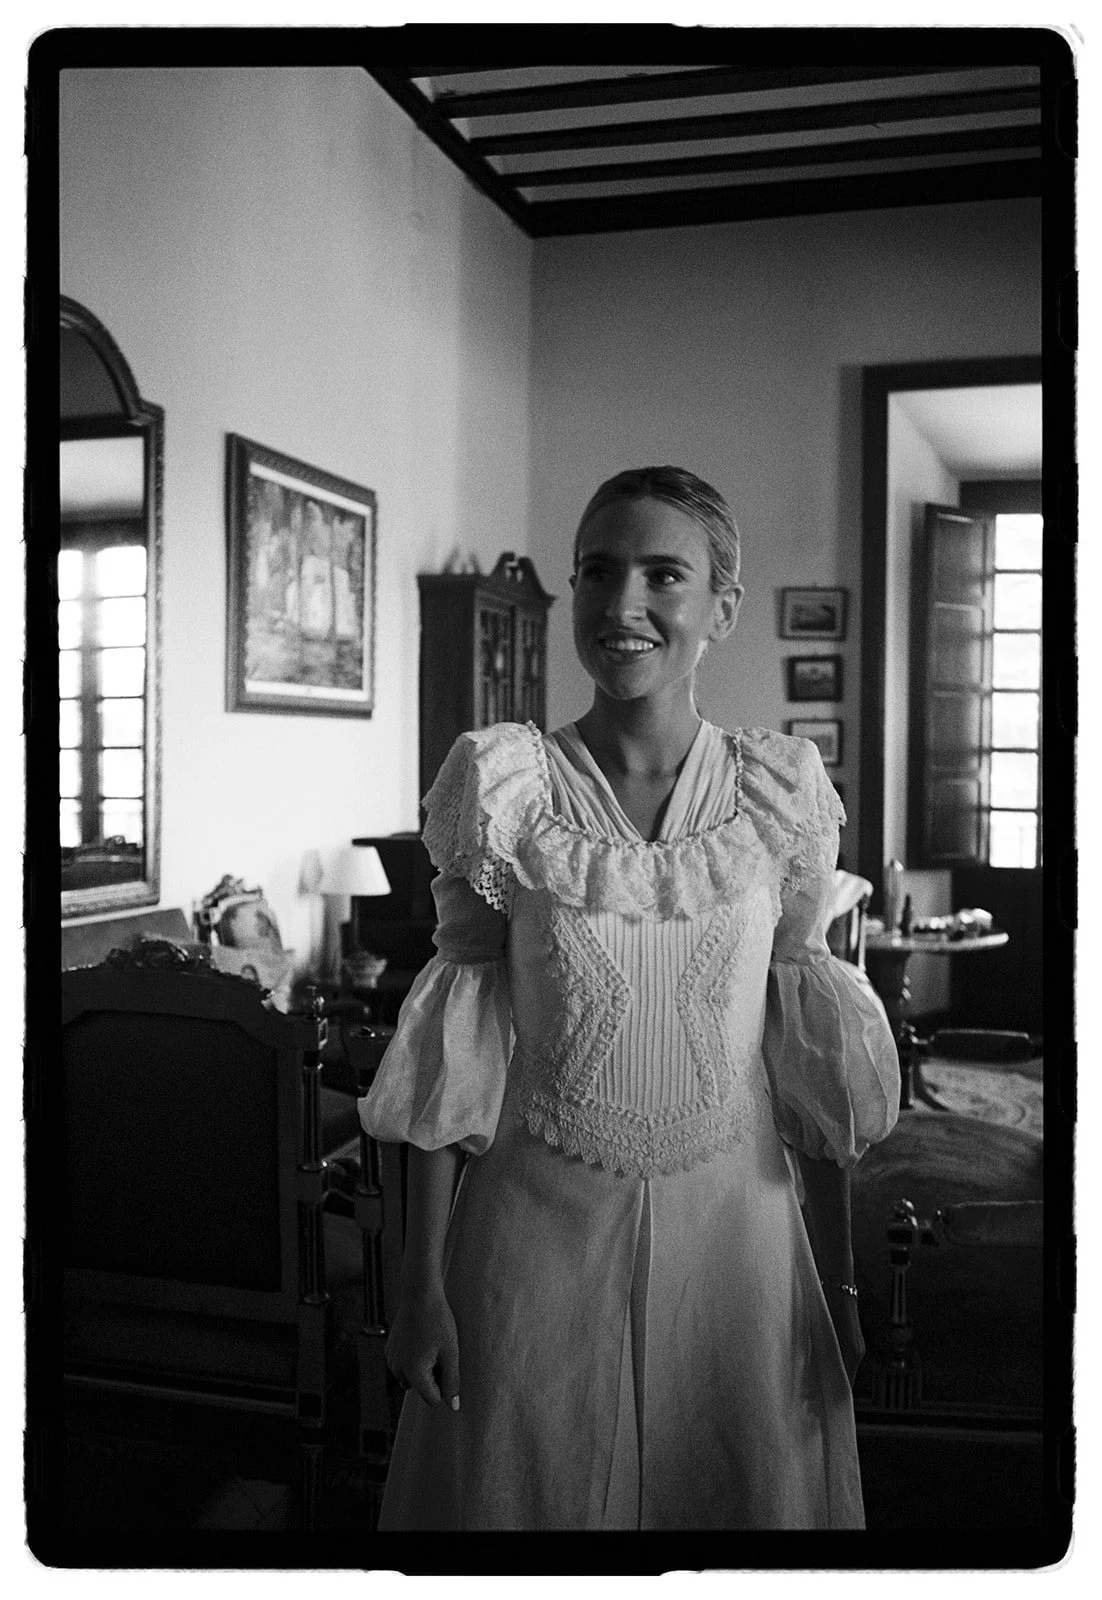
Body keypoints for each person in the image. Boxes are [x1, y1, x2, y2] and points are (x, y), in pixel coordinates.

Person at [359, 466, 899, 1531]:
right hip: (531, 1240)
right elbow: (456, 1046)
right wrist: (418, 1286)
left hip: (737, 1244)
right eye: (599, 572)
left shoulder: (783, 792)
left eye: (664, 574)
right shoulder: (501, 785)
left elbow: (811, 1065)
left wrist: (837, 1286)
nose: (623, 604)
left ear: (722, 608)